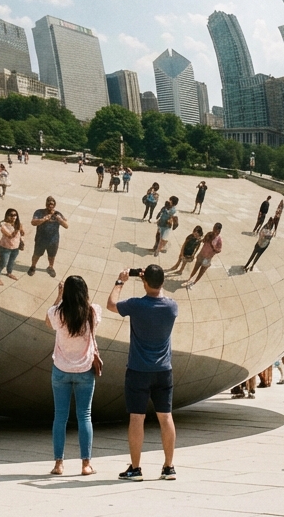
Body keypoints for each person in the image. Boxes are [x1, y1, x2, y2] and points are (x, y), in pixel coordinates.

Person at [107, 264, 178, 481]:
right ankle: (168, 467)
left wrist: (121, 281)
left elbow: (111, 305)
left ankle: (135, 469)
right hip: (163, 370)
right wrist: (151, 279)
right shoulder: (172, 307)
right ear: (163, 283)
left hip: (138, 369)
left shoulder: (136, 305)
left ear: (144, 282)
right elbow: (160, 292)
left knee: (137, 418)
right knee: (166, 417)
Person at [46, 276, 101, 476]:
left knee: (60, 417)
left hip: (61, 369)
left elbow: (47, 320)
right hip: (85, 370)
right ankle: (86, 464)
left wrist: (59, 296)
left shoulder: (58, 313)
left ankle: (58, 464)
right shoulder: (91, 312)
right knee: (84, 416)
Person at [28, 197, 69, 278]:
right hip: (41, 239)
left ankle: (50, 267)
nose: (50, 205)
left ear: (54, 205)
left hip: (53, 240)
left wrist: (60, 220)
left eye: (52, 204)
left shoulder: (58, 214)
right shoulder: (39, 212)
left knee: (52, 255)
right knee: (36, 254)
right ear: (46, 203)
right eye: (49, 203)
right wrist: (43, 219)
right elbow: (33, 222)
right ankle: (33, 266)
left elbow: (66, 225)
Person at [185, 222, 223, 288]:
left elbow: (219, 250)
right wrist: (198, 240)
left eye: (215, 229)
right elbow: (203, 240)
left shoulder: (219, 240)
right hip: (201, 255)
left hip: (207, 258)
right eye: (214, 227)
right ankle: (190, 278)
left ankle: (194, 282)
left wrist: (213, 247)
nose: (214, 230)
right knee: (195, 268)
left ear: (219, 230)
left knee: (201, 271)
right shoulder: (209, 234)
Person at [0, 208, 25, 285]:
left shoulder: (18, 224)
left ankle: (9, 273)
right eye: (11, 215)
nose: (13, 217)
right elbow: (10, 236)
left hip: (15, 248)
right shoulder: (4, 226)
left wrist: (22, 238)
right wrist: (17, 229)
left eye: (15, 215)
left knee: (11, 262)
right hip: (5, 248)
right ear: (7, 216)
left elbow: (22, 233)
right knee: (3, 263)